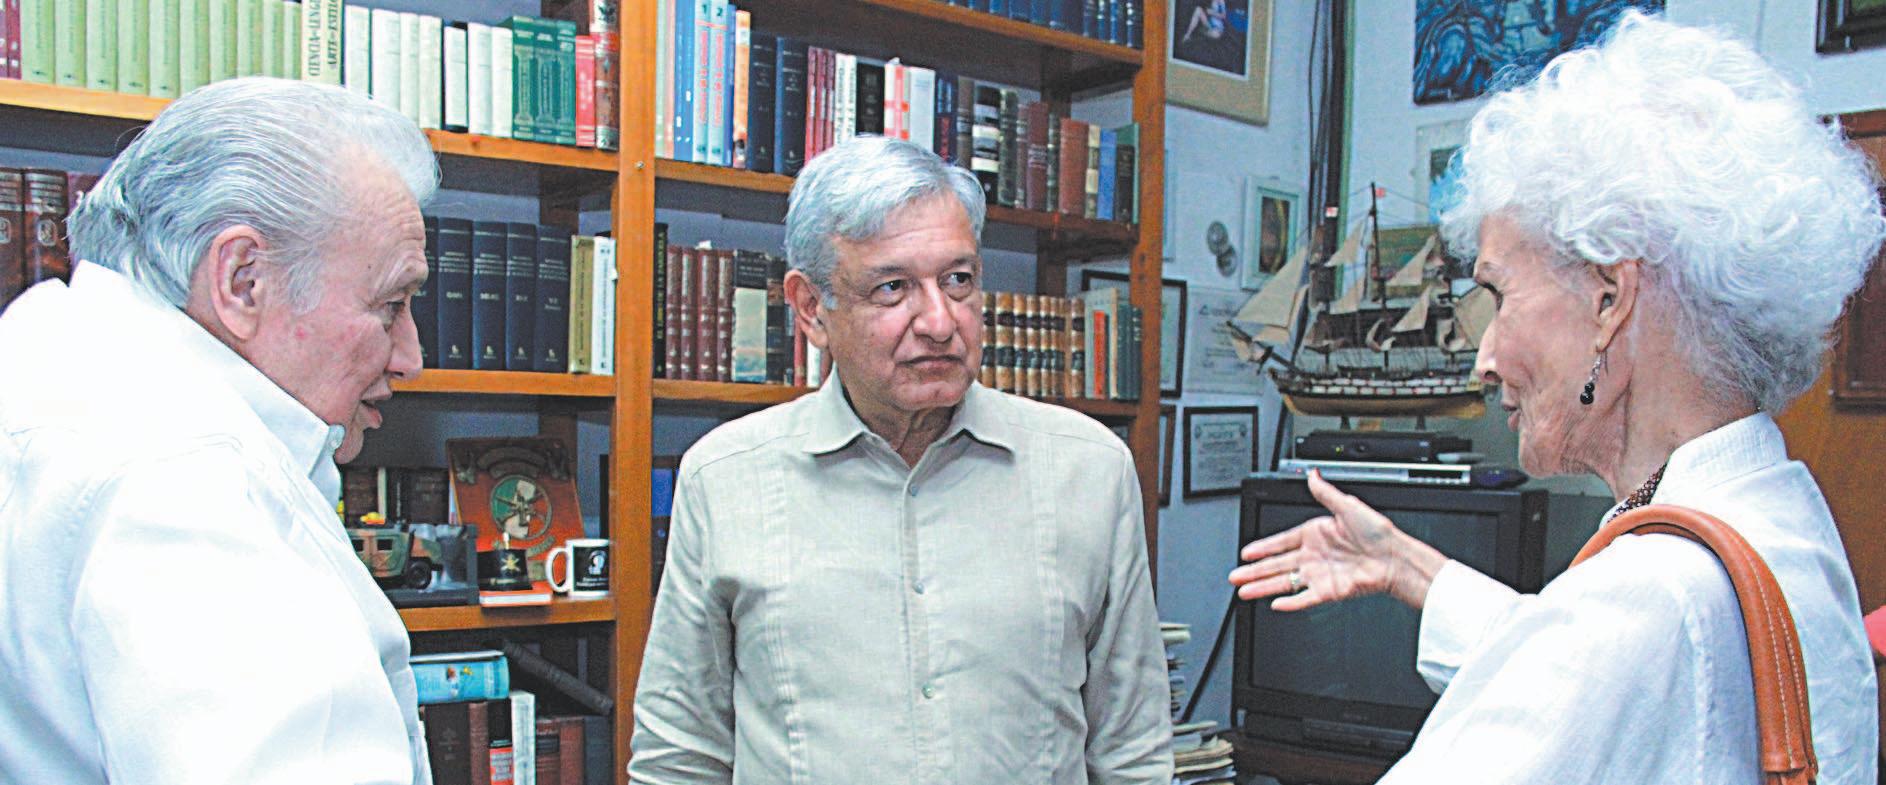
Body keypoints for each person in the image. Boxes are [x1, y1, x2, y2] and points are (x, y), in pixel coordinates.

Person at [1229, 13, 1880, 784]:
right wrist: (1409, 564)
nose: (1484, 358)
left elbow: (1609, 653)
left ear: (1610, 300)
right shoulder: (1780, 522)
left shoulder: (1648, 597)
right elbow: (1604, 680)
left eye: (1499, 295)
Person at [628, 136, 1172, 784]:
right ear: (811, 309)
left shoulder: (1090, 470)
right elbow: (680, 756)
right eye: (893, 288)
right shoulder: (724, 479)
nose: (940, 322)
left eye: (958, 280)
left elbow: (1132, 751)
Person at [0, 77, 439, 783]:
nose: (410, 358)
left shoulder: (49, 353)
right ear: (243, 281)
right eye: (390, 304)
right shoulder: (184, 483)